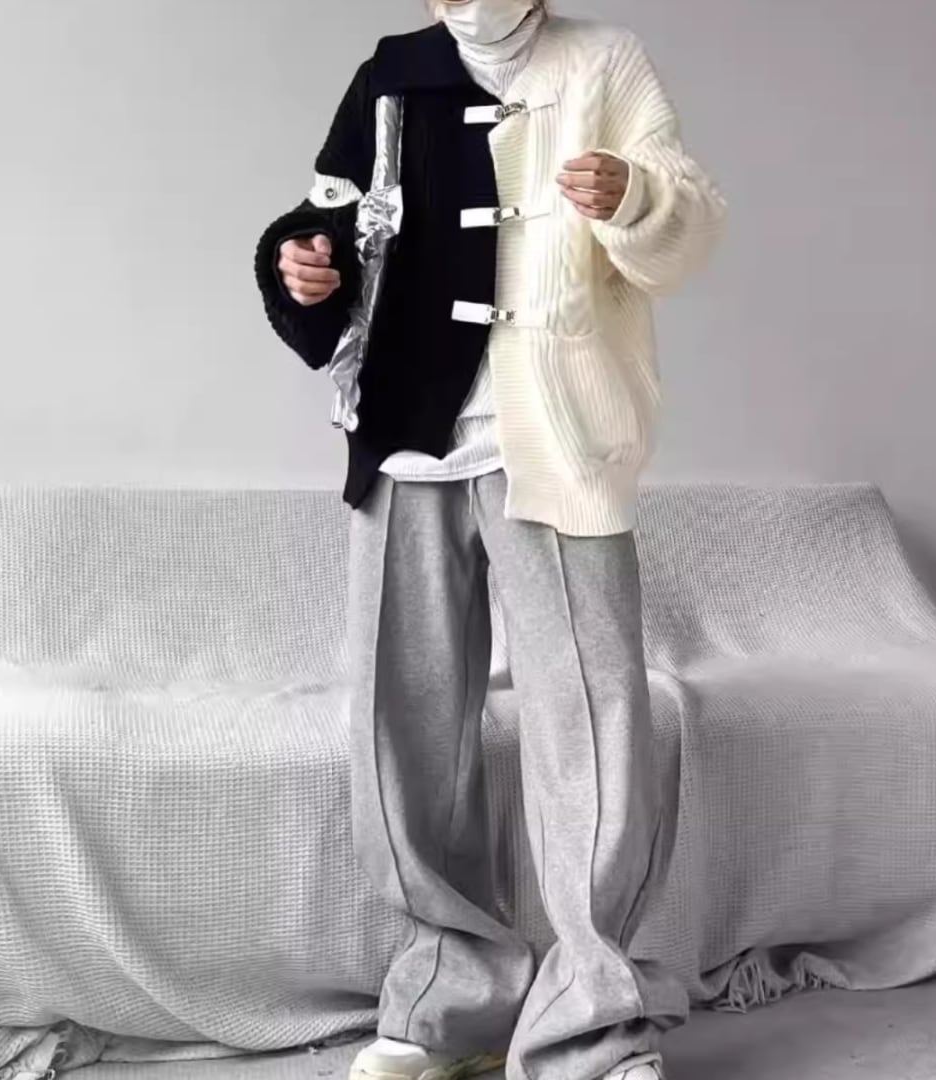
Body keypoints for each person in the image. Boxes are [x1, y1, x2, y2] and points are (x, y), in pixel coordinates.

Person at [253, 2, 726, 1078]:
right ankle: (446, 1005)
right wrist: (301, 266)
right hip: (408, 438)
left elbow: (691, 226)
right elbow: (330, 222)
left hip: (553, 438)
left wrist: (633, 196)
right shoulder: (393, 72)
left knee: (592, 726)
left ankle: (594, 1029)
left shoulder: (604, 61)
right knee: (405, 734)